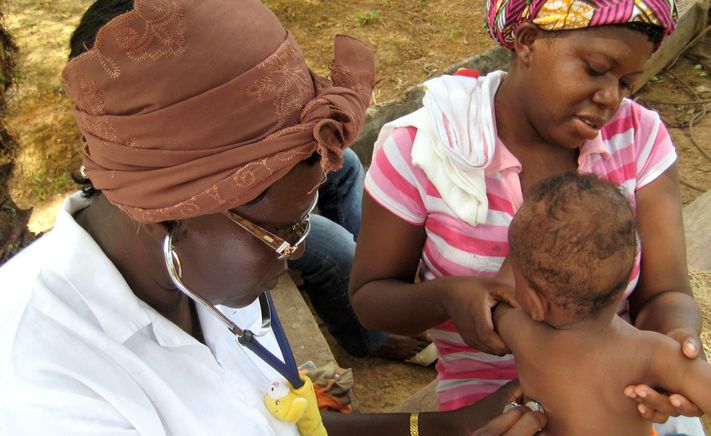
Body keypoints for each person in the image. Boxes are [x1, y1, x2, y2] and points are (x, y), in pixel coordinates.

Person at [0, 1, 545, 435]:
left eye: (306, 212)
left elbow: (270, 420)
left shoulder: (196, 267)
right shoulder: (45, 388)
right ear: (167, 215)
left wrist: (451, 426)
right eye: (283, 230)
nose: (301, 249)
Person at [349, 0, 706, 433]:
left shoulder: (639, 139)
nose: (610, 97)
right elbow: (371, 298)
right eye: (595, 68)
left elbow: (665, 293)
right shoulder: (425, 149)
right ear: (528, 41)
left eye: (627, 82)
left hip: (622, 390)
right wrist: (448, 298)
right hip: (489, 412)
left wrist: (675, 350)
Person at [493, 171, 711, 435]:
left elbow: (494, 306)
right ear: (626, 282)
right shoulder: (649, 353)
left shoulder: (520, 331)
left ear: (533, 301)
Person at [287, 147, 431, 360]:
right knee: (336, 250)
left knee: (345, 162)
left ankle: (379, 292)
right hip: (241, 213)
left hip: (263, 178)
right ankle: (369, 339)